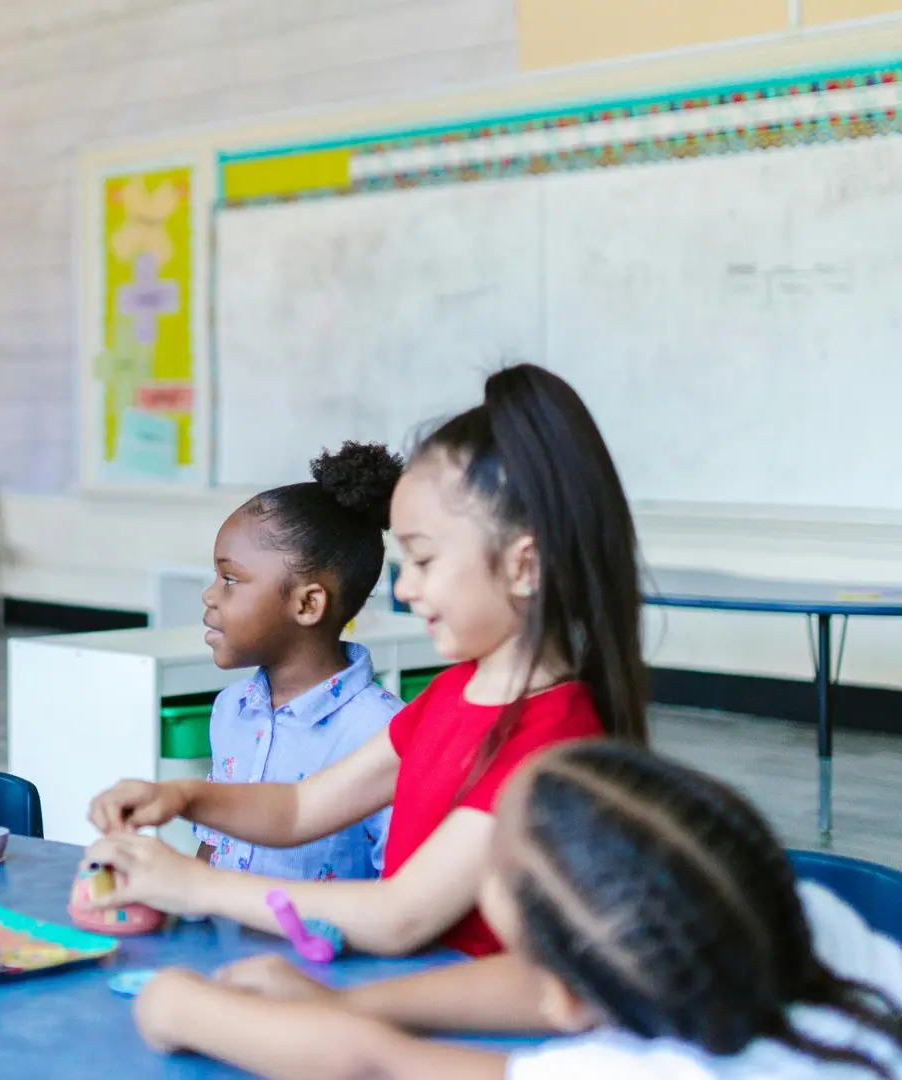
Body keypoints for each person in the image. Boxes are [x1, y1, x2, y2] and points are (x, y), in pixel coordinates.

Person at [83, 364, 648, 957]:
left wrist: (196, 887)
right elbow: (302, 807)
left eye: (424, 562)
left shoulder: (549, 742)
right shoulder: (454, 694)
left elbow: (398, 916)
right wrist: (182, 798)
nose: (403, 591)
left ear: (524, 565)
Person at [130, 741, 902, 1080]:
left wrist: (176, 1005)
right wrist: (347, 998)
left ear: (566, 999)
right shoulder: (790, 913)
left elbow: (374, 1067)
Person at [192, 443, 404, 881]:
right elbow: (214, 845)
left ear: (308, 604)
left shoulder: (384, 735)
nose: (210, 595)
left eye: (230, 579)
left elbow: (401, 891)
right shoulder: (231, 709)